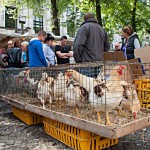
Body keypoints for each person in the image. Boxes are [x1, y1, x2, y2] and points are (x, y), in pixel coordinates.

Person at [73, 12, 110, 77]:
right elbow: (107, 46)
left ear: (84, 19)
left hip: (86, 64)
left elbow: (78, 45)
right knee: (98, 86)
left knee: (86, 86)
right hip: (99, 63)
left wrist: (78, 59)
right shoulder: (102, 29)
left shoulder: (84, 28)